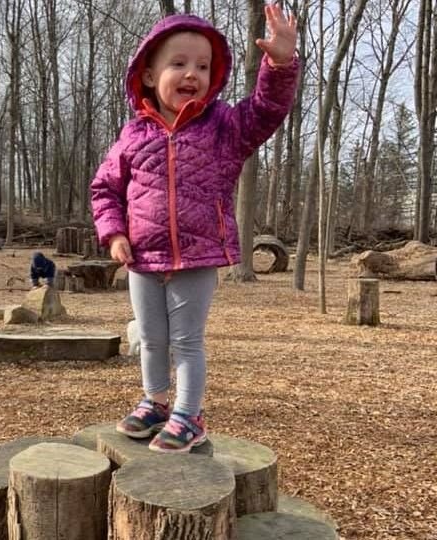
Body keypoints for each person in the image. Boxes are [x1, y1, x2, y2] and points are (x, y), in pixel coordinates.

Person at [91, 7, 299, 453]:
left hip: (197, 254)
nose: (192, 74)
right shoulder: (132, 135)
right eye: (179, 64)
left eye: (202, 66)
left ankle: (189, 414)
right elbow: (105, 189)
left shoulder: (223, 126)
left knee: (186, 341)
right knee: (150, 338)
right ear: (148, 75)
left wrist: (279, 65)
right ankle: (155, 402)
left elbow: (266, 110)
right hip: (142, 258)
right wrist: (114, 233)